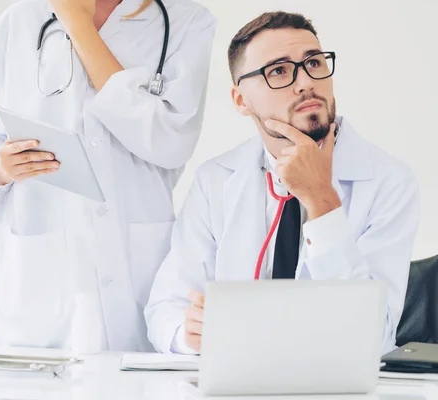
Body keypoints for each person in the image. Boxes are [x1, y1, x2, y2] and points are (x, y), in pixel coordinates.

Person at [145, 11, 420, 355]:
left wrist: (322, 201)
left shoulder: (389, 182)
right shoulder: (215, 181)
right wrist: (188, 334)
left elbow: (371, 339)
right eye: (278, 71)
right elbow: (164, 309)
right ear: (241, 100)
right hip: (237, 383)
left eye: (314, 63)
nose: (306, 82)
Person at [0, 0, 216, 352]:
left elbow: (170, 141)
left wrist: (78, 25)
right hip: (36, 272)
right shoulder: (17, 21)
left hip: (134, 266)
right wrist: (1, 167)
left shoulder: (186, 20)